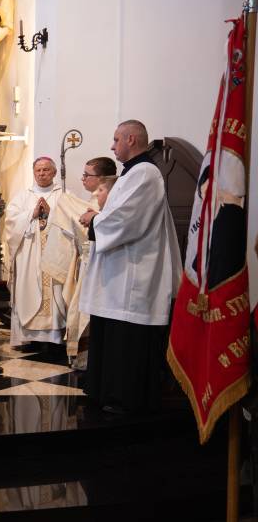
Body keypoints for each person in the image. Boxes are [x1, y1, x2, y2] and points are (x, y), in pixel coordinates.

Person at [78, 120, 181, 414]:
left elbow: (127, 219)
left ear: (131, 139)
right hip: (120, 273)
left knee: (126, 341)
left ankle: (125, 399)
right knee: (112, 336)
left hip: (134, 276)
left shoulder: (145, 173)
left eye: (116, 140)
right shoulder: (132, 173)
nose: (112, 146)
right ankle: (104, 391)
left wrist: (94, 220)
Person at [40, 157, 116, 368]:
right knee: (80, 311)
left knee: (86, 314)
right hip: (87, 264)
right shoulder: (87, 203)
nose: (82, 179)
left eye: (86, 175)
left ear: (101, 178)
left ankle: (90, 360)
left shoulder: (106, 203)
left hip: (99, 267)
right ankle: (84, 358)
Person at [5, 157, 66, 348]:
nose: (41, 174)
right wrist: (31, 214)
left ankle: (53, 339)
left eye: (46, 170)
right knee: (28, 291)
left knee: (54, 293)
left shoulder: (63, 194)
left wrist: (51, 212)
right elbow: (10, 222)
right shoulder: (23, 196)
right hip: (28, 256)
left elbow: (72, 221)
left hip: (54, 255)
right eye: (38, 170)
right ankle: (28, 337)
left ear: (54, 172)